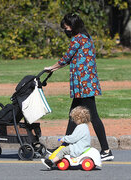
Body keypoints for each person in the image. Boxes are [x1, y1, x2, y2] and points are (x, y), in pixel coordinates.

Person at [44, 13, 114, 161]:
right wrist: (55, 68)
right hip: (87, 82)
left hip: (84, 84)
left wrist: (52, 67)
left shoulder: (77, 39)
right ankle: (63, 147)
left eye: (67, 27)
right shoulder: (86, 37)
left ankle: (106, 150)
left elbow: (67, 57)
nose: (66, 29)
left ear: (74, 26)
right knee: (73, 115)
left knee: (93, 116)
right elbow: (74, 59)